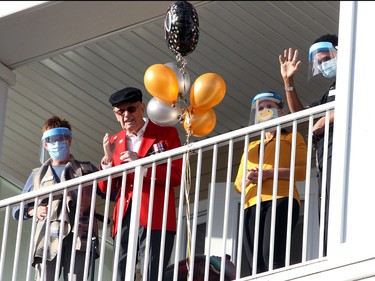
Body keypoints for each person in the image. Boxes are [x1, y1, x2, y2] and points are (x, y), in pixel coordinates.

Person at [97, 87, 182, 281]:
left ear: (142, 108)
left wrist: (141, 165)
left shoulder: (165, 134)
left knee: (152, 271)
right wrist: (108, 160)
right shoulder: (114, 141)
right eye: (121, 111)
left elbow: (176, 175)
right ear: (115, 114)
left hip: (155, 214)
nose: (126, 115)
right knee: (121, 270)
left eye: (131, 109)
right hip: (124, 215)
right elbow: (105, 189)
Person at [12, 116, 100, 281]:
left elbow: (109, 188)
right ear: (45, 144)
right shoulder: (37, 174)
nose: (57, 143)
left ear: (70, 141)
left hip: (79, 236)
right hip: (47, 237)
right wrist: (33, 210)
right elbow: (17, 209)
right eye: (52, 140)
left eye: (62, 139)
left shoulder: (86, 169)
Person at [234, 91, 307, 274]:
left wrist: (268, 173)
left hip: (281, 197)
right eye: (260, 109)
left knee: (272, 256)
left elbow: (301, 171)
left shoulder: (291, 137)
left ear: (280, 112)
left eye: (269, 107)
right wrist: (251, 178)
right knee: (255, 263)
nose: (264, 111)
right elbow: (238, 184)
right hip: (252, 202)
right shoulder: (251, 147)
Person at [279, 34, 338, 256]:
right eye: (320, 63)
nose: (323, 65)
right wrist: (288, 82)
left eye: (326, 59)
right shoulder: (329, 92)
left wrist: (328, 119)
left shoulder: (358, 79)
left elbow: (363, 100)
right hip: (324, 161)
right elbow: (302, 115)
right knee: (328, 212)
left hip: (343, 157)